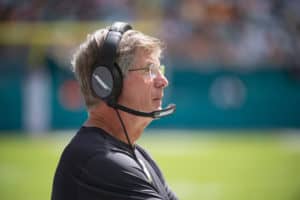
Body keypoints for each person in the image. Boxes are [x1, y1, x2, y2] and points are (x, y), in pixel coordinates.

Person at [51, 22, 178, 200]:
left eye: (160, 69)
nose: (163, 81)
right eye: (149, 70)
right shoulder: (100, 160)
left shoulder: (138, 156)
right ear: (108, 83)